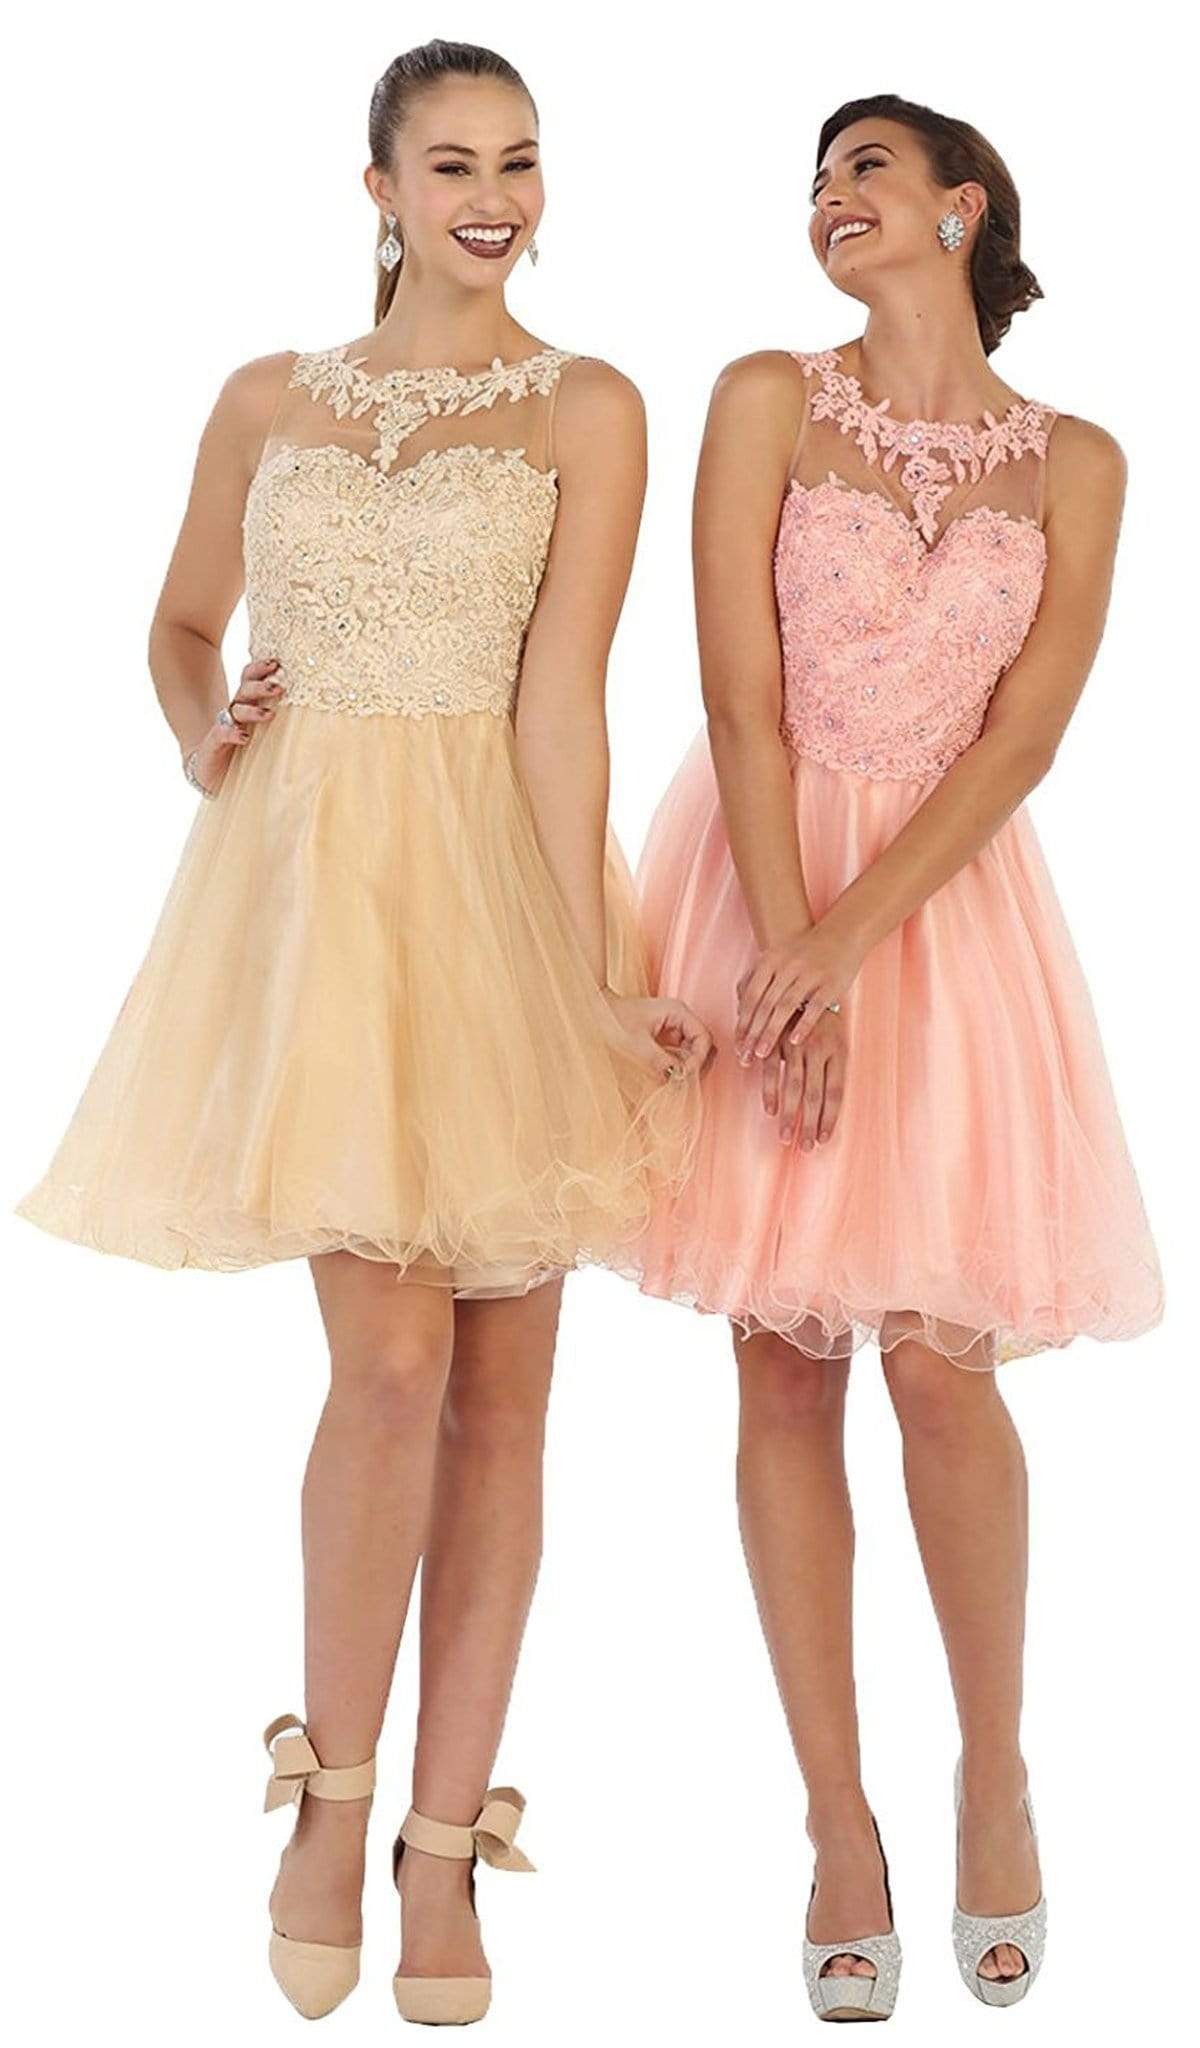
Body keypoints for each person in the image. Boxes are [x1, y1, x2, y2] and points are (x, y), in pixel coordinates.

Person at [14, 37, 711, 2027]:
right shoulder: (267, 396)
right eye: (454, 164)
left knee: (504, 1400)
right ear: (380, 189)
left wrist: (585, 974)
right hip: (317, 906)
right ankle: (325, 1800)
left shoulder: (589, 405)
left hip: (498, 890)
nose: (495, 198)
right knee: (391, 1368)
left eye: (521, 162)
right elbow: (177, 626)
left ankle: (443, 1845)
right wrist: (200, 730)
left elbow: (565, 698)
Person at [618, 93, 1163, 2020]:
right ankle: (835, 1827)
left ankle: (992, 1781)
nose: (831, 196)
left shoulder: (1079, 459)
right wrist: (788, 958)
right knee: (784, 1365)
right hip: (761, 883)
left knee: (945, 1368)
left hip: (943, 917)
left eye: (867, 166)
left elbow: (1027, 739)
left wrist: (858, 946)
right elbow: (736, 694)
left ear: (962, 205)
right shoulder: (768, 396)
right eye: (815, 178)